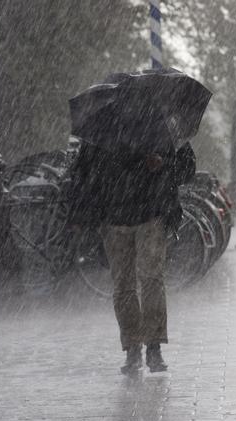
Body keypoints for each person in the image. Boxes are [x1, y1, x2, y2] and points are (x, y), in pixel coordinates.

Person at [68, 128, 196, 374]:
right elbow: (84, 173)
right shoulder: (159, 124)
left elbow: (186, 168)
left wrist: (163, 164)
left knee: (146, 281)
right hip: (119, 218)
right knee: (130, 284)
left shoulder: (148, 125)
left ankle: (150, 347)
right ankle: (136, 348)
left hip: (148, 215)